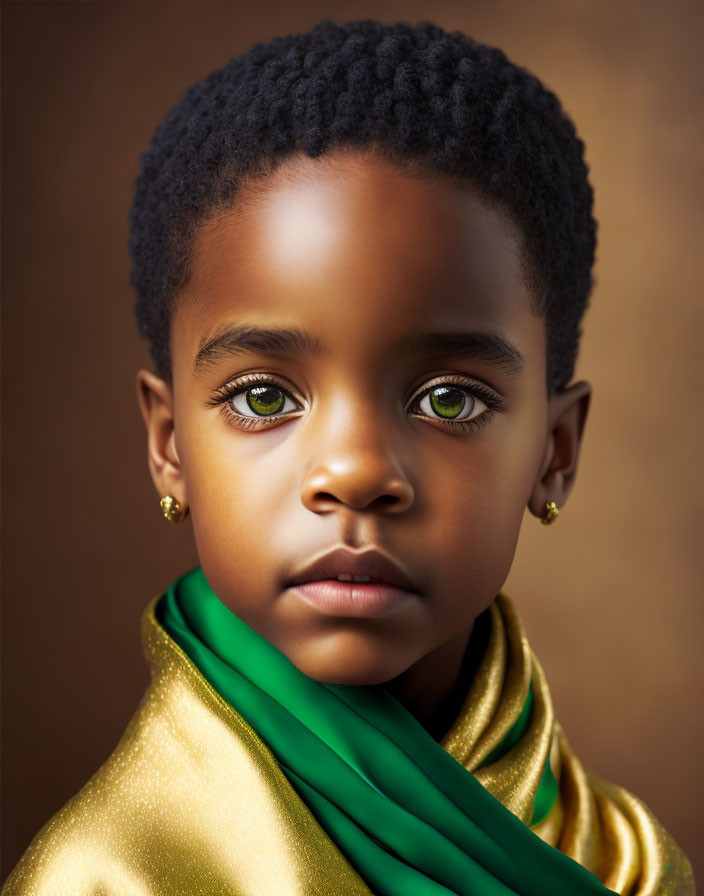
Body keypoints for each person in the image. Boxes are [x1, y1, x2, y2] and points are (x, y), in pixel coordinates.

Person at [2, 17, 695, 896]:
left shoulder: (629, 863)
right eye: (264, 398)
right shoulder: (104, 879)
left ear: (554, 454)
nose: (356, 471)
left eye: (449, 399)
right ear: (169, 445)